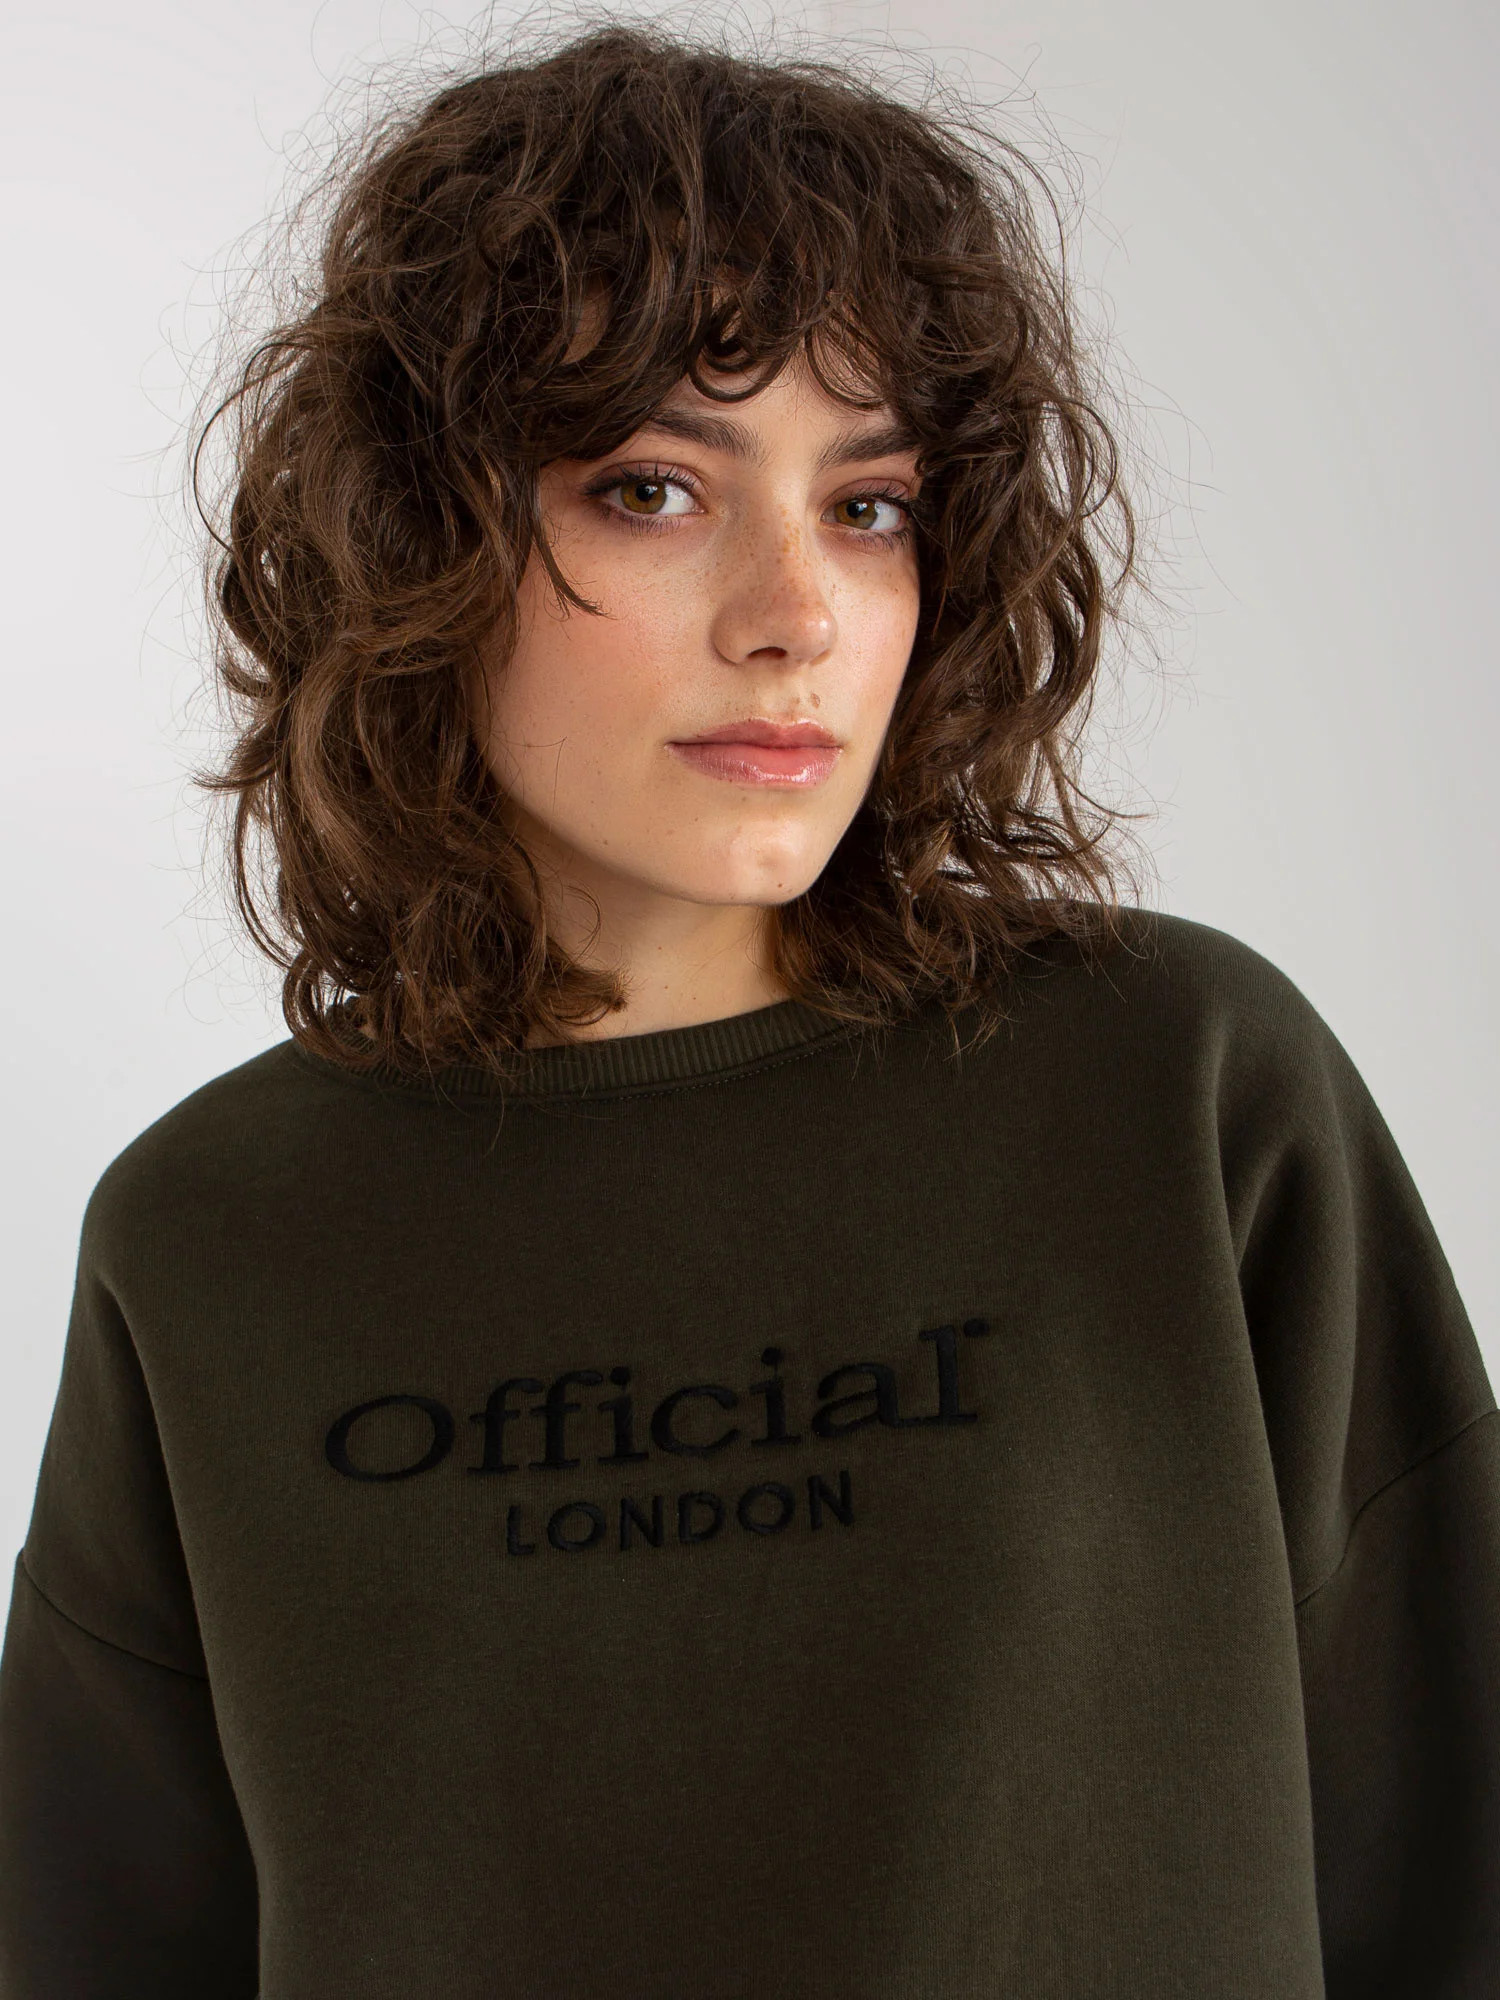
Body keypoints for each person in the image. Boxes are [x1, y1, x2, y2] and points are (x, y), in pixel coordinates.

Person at [0, 21, 1495, 1999]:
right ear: (415, 538)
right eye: (652, 487)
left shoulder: (1186, 1091)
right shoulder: (212, 1237)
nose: (797, 611)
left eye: (868, 506)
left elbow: (1455, 1873)